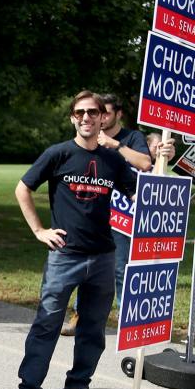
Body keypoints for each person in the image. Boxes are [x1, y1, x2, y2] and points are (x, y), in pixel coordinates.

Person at [6, 91, 137, 389]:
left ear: (102, 117)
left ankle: (78, 384)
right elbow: (23, 188)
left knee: (93, 326)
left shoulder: (112, 159)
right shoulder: (58, 153)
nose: (86, 118)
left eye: (93, 112)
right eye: (80, 112)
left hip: (104, 256)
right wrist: (39, 231)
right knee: (47, 323)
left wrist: (162, 157)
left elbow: (138, 190)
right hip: (65, 256)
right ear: (72, 118)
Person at [60, 94, 175, 335]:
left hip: (124, 217)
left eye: (106, 113)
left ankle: (126, 322)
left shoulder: (131, 137)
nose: (98, 118)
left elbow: (144, 163)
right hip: (95, 214)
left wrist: (114, 145)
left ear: (117, 114)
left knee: (121, 268)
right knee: (86, 269)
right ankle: (79, 317)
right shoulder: (90, 135)